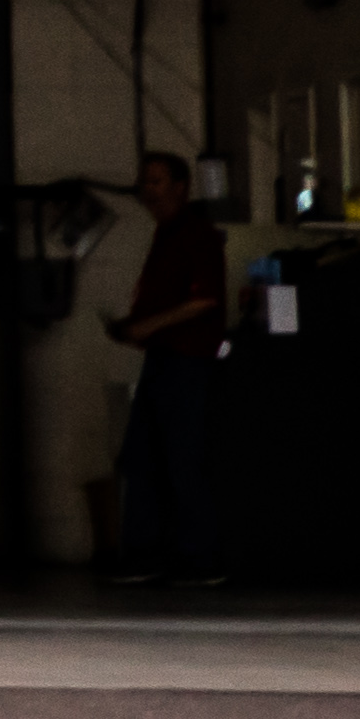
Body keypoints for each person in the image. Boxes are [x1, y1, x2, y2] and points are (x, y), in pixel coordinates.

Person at [99, 150, 236, 583]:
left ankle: (200, 557)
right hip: (163, 358)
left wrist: (147, 326)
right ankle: (146, 554)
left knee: (181, 457)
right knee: (142, 455)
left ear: (180, 187)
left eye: (156, 181)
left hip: (187, 360)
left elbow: (204, 299)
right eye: (145, 182)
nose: (148, 190)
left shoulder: (196, 235)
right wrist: (134, 327)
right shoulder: (165, 235)